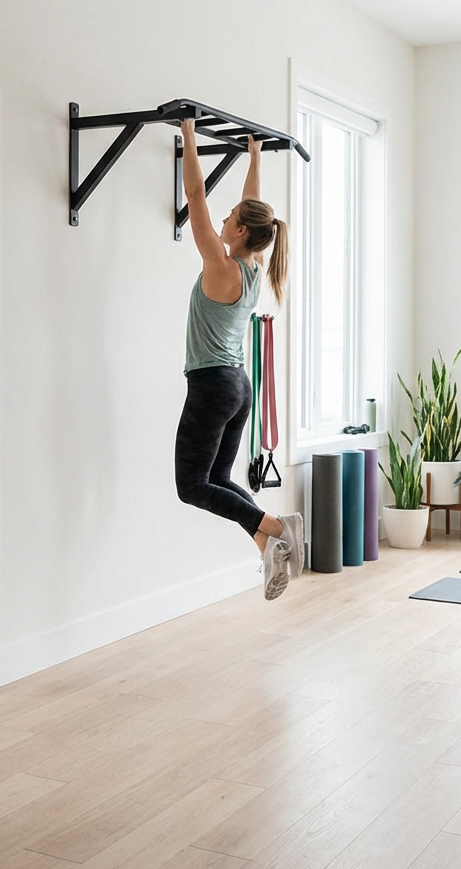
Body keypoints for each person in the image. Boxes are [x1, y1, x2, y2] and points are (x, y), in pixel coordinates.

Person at [175, 119, 304, 600]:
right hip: (238, 388)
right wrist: (253, 158)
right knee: (218, 480)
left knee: (192, 486)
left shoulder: (220, 263)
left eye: (230, 217)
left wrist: (189, 136)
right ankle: (266, 545)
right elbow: (253, 209)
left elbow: (194, 196)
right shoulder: (252, 263)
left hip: (211, 387)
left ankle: (277, 525)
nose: (222, 219)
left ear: (240, 230)